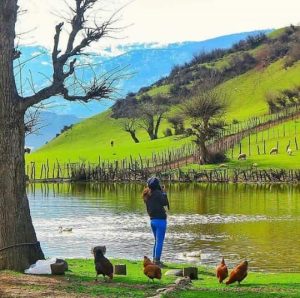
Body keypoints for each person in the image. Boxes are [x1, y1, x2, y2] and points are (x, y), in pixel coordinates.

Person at [142, 177, 170, 267]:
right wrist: (164, 193)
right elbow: (165, 202)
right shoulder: (158, 193)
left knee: (156, 241)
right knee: (159, 242)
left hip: (152, 221)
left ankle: (155, 260)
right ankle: (157, 262)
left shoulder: (147, 194)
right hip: (160, 221)